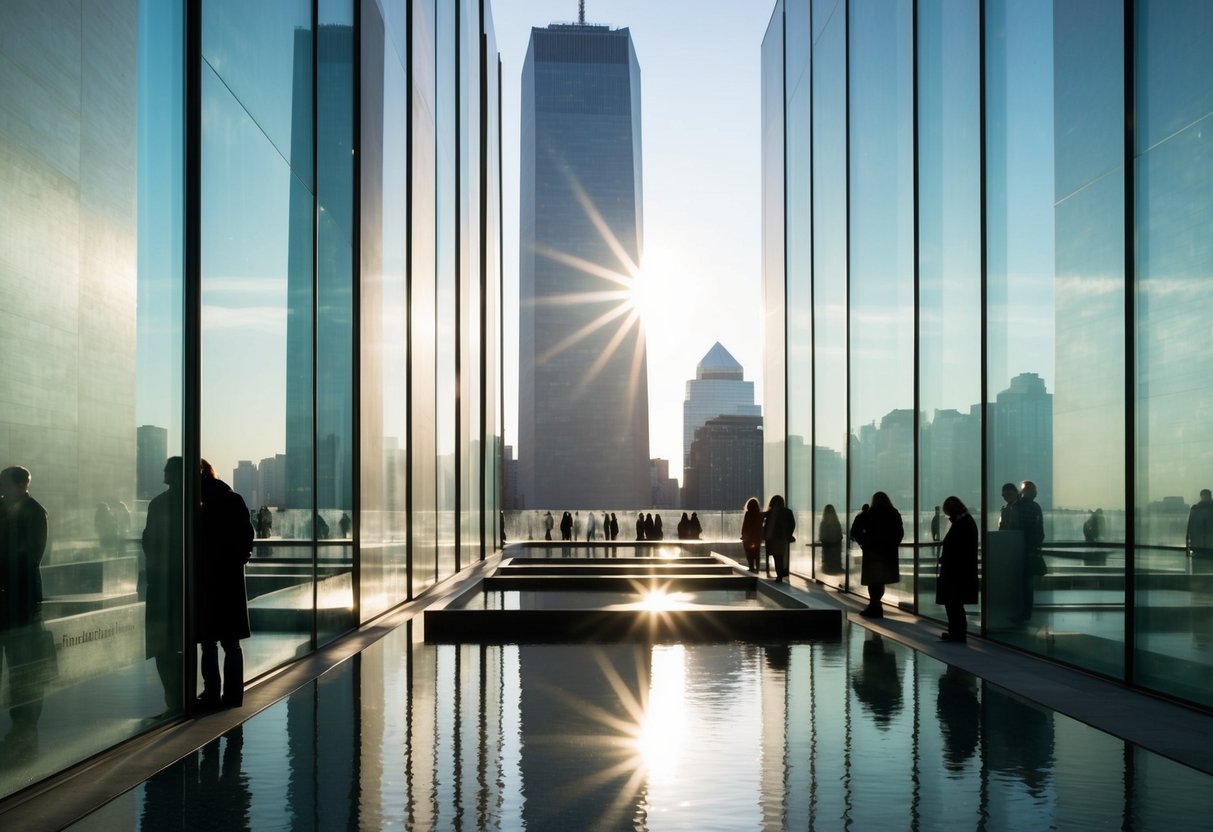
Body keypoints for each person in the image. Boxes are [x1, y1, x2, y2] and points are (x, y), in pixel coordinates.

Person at [196, 459, 254, 709]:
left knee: (208, 641)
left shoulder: (196, 503)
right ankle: (233, 696)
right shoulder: (233, 498)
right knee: (231, 642)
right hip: (229, 579)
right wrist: (238, 560)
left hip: (205, 577)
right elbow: (246, 536)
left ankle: (211, 693)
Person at [0, 466, 50, 757]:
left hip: (19, 597)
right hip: (17, 596)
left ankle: (24, 724)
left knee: (22, 664)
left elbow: (32, 554)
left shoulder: (32, 511)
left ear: (18, 483)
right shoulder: (26, 509)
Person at [142, 457, 185, 714]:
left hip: (161, 582)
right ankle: (181, 696)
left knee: (162, 644)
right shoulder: (191, 502)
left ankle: (173, 697)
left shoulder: (158, 503)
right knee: (180, 640)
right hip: (180, 581)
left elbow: (149, 540)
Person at [936, 496, 978, 642]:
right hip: (959, 570)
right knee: (955, 603)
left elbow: (957, 548)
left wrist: (946, 559)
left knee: (953, 603)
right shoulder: (965, 522)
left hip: (956, 571)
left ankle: (957, 633)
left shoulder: (962, 524)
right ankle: (957, 632)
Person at [858, 492, 903, 619]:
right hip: (887, 553)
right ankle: (876, 606)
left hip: (873, 552)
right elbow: (899, 532)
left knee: (873, 582)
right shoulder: (893, 513)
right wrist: (892, 545)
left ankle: (875, 607)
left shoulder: (870, 513)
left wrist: (863, 542)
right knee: (880, 581)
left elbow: (856, 530)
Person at [1012, 480, 1045, 625]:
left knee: (1022, 582)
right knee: (1027, 583)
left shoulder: (1018, 506)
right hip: (1031, 548)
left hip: (1019, 548)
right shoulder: (1036, 507)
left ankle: (1022, 612)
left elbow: (1016, 527)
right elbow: (1040, 531)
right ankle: (1026, 612)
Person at [763, 495, 795, 582]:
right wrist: (788, 534)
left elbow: (767, 525)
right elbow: (792, 524)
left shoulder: (770, 513)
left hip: (773, 538)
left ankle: (780, 574)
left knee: (777, 556)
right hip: (781, 538)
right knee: (779, 556)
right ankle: (781, 573)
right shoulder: (787, 512)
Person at [1187, 491, 1213, 558]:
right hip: (1204, 545)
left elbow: (1190, 527)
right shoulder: (1196, 509)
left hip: (1197, 546)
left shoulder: (1195, 509)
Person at [740, 498, 763, 572]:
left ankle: (751, 567)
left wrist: (743, 534)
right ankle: (758, 568)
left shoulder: (748, 513)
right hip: (757, 537)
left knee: (749, 553)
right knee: (757, 553)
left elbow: (745, 525)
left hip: (748, 537)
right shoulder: (759, 514)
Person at [819, 504, 843, 575]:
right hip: (835, 545)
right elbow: (839, 534)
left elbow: (822, 535)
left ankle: (829, 569)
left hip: (827, 546)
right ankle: (835, 569)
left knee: (828, 559)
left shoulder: (824, 523)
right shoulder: (836, 522)